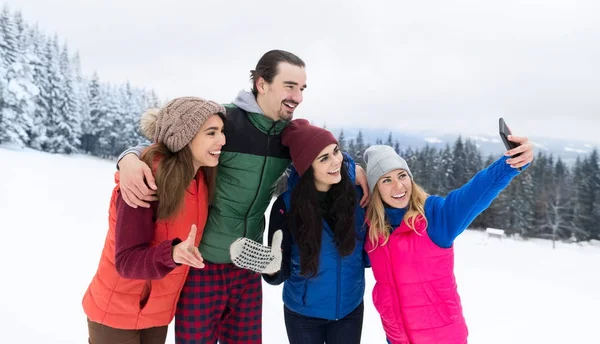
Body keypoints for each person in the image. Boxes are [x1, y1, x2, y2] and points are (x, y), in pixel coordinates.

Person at [115, 50, 370, 343]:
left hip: (248, 263)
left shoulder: (288, 135)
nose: (298, 97)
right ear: (262, 84)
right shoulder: (225, 123)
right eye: (289, 86)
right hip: (201, 262)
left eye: (302, 89)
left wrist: (354, 167)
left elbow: (321, 151)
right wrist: (129, 158)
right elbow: (166, 143)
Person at [363, 133, 534, 344]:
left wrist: (510, 165)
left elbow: (475, 193)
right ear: (375, 189)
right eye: (386, 180)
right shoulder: (372, 232)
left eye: (402, 175)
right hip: (396, 340)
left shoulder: (435, 217)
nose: (398, 186)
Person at [82, 97, 227, 344]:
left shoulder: (201, 180)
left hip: (157, 313)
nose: (222, 140)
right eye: (211, 132)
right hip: (115, 312)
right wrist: (172, 254)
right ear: (185, 137)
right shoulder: (145, 180)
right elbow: (126, 262)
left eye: (222, 131)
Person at [231, 119, 369, 344]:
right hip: (303, 316)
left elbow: (367, 257)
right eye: (324, 158)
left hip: (349, 310)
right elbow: (281, 272)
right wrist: (272, 268)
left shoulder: (357, 196)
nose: (336, 162)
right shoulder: (286, 207)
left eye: (336, 151)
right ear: (306, 167)